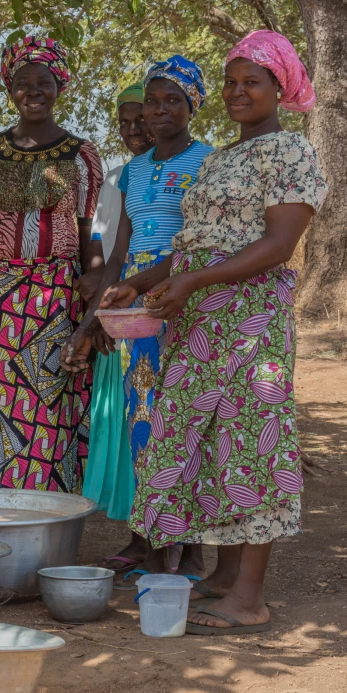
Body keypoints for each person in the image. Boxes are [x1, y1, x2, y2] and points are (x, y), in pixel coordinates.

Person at [101, 30, 326, 634]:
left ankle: (248, 599)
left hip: (251, 320)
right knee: (209, 442)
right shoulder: (222, 158)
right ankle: (224, 577)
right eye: (230, 82)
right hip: (200, 322)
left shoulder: (290, 151)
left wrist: (195, 280)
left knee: (253, 444)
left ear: (280, 86)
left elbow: (278, 245)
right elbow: (193, 245)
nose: (237, 92)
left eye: (252, 81)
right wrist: (137, 283)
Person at [66, 55, 213, 581]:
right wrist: (95, 320)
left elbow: (201, 245)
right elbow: (119, 253)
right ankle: (153, 546)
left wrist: (143, 285)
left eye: (173, 100)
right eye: (152, 101)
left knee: (187, 423)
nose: (159, 110)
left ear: (193, 106)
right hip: (137, 316)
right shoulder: (135, 170)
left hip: (186, 305)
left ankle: (191, 552)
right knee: (143, 422)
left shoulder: (208, 163)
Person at [0, 36, 104, 493]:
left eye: (44, 82)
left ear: (59, 87)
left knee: (49, 400)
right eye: (23, 83)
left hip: (55, 294)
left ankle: (47, 505)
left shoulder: (80, 153)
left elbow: (88, 228)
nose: (33, 91)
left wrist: (92, 299)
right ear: (10, 89)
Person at [80, 83, 154, 563]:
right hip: (119, 313)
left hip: (162, 306)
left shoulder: (191, 170)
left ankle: (168, 541)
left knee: (157, 420)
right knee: (128, 423)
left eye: (140, 119)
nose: (133, 130)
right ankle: (141, 535)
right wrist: (97, 316)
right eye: (124, 122)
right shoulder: (115, 178)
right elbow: (103, 248)